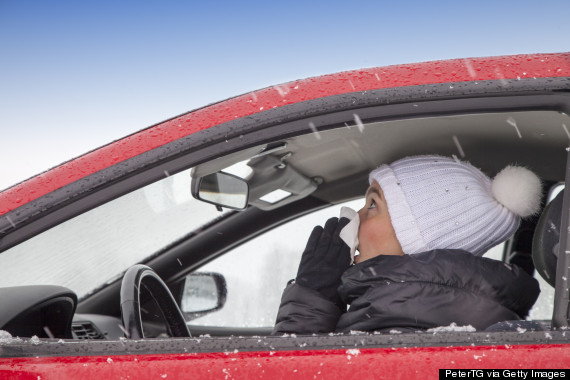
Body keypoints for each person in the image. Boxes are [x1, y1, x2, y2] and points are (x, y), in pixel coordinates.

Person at [273, 155, 542, 334]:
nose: (355, 217)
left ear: (423, 240)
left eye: (373, 205)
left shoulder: (403, 335)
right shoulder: (412, 321)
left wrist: (309, 306)